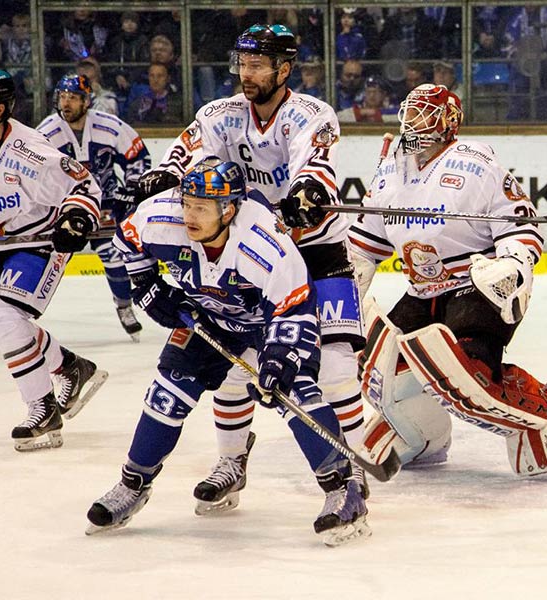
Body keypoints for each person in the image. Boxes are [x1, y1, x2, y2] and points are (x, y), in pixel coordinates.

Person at [132, 23, 367, 514]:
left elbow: (316, 166)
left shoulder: (311, 115)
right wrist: (163, 177)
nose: (247, 73)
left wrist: (309, 194)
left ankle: (351, 465)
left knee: (337, 367)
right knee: (234, 364)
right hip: (248, 257)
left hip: (315, 251)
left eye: (258, 64)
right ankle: (231, 464)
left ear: (284, 69)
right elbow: (186, 158)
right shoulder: (219, 115)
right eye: (243, 63)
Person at [86, 157, 369, 546]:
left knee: (295, 390)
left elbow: (295, 305)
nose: (189, 214)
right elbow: (127, 239)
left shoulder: (262, 241)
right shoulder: (163, 217)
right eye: (187, 203)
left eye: (201, 207)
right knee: (167, 392)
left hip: (267, 321)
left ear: (229, 209)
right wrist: (147, 285)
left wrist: (278, 359)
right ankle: (133, 484)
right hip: (210, 315)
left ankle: (343, 487)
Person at [349, 83, 547, 476]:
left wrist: (512, 265)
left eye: (423, 114)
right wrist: (348, 278)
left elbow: (522, 225)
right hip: (422, 290)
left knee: (467, 375)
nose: (412, 122)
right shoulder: (391, 166)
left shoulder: (476, 163)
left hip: (474, 286)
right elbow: (366, 240)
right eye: (410, 113)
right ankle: (422, 435)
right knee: (377, 367)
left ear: (447, 122)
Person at [0, 67, 108, 452]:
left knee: (4, 316)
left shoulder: (31, 151)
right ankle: (70, 367)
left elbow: (84, 186)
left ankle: (42, 408)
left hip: (40, 242)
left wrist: (76, 217)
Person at [37, 74, 151, 341]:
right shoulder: (45, 133)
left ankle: (124, 307)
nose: (66, 103)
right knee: (49, 260)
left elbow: (137, 157)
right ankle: (22, 314)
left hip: (106, 204)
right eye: (63, 97)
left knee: (113, 256)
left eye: (73, 98)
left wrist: (129, 190)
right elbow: (33, 174)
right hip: (64, 207)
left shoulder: (109, 126)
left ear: (86, 101)